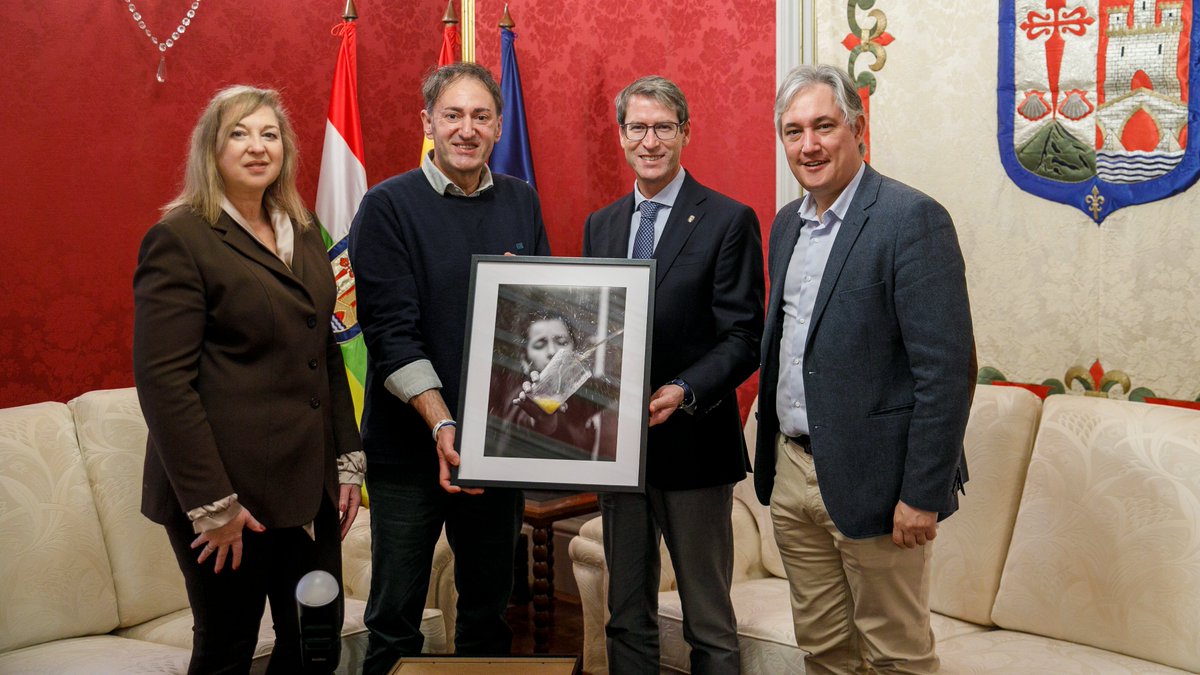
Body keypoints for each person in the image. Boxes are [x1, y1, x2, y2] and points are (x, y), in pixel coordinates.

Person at [132, 85, 365, 674]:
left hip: (307, 491)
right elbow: (165, 384)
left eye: (269, 134)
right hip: (229, 501)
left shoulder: (304, 228)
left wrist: (345, 463)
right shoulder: (181, 238)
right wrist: (214, 505)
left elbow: (327, 353)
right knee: (228, 649)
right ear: (210, 149)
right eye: (239, 133)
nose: (257, 147)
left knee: (314, 642)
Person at [754, 64, 976, 674]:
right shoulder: (785, 225)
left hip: (880, 486)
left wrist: (921, 495)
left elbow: (947, 373)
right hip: (794, 476)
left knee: (895, 657)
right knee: (824, 652)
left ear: (858, 130)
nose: (809, 145)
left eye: (824, 126)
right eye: (794, 131)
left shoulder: (911, 220)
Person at [348, 62, 551, 672]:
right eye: (453, 115)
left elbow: (541, 321)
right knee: (395, 617)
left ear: (498, 124)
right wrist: (442, 424)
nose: (467, 129)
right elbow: (390, 334)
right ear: (428, 123)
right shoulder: (386, 207)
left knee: (489, 614)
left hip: (495, 449)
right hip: (408, 453)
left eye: (481, 116)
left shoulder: (521, 200)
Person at [582, 75, 764, 674]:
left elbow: (744, 337)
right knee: (625, 615)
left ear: (685, 133)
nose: (651, 140)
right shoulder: (602, 225)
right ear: (621, 136)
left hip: (693, 447)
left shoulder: (728, 220)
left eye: (664, 127)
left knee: (708, 622)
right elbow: (592, 328)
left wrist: (685, 389)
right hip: (618, 452)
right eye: (638, 127)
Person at [486, 309, 618, 461]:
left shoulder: (590, 399)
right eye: (540, 344)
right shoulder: (521, 397)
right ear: (524, 360)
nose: (552, 351)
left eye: (562, 342)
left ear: (575, 352)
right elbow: (526, 418)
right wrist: (543, 420)